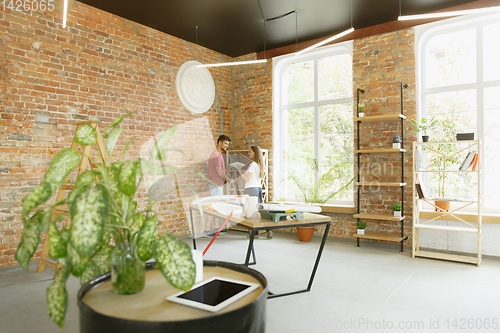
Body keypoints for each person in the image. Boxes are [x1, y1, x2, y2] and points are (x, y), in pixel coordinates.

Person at [237, 146, 272, 239]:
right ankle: (268, 230)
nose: (249, 153)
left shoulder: (252, 165)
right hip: (258, 189)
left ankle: (254, 234)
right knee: (258, 211)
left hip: (251, 189)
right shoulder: (260, 164)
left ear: (255, 153)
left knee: (252, 213)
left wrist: (240, 171)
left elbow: (248, 179)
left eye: (250, 152)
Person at [204, 135, 232, 237]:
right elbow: (219, 172)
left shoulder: (218, 154)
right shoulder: (215, 154)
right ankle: (207, 230)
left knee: (216, 206)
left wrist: (226, 171)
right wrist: (229, 180)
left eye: (228, 144)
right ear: (219, 142)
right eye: (225, 143)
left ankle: (216, 228)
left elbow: (220, 171)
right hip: (215, 184)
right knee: (212, 206)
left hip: (218, 183)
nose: (227, 146)